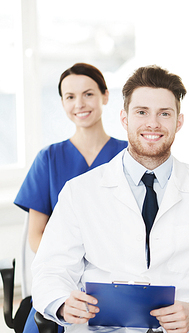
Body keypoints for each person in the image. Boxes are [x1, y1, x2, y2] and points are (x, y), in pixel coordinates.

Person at [31, 65, 189, 333]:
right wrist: (61, 304)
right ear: (125, 119)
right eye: (141, 112)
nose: (153, 123)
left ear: (179, 122)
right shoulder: (79, 192)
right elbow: (49, 270)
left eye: (164, 114)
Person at [14, 63, 128, 333]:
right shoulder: (49, 159)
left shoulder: (129, 156)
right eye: (70, 97)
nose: (80, 104)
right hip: (64, 276)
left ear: (105, 96)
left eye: (88, 94)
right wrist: (67, 270)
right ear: (63, 103)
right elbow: (36, 235)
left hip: (118, 275)